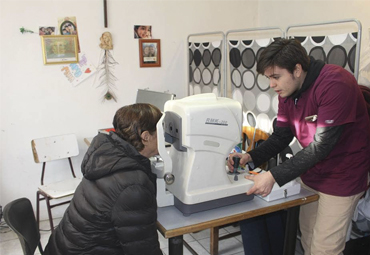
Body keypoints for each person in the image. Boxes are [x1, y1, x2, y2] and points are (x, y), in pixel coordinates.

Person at [228, 38, 370, 255]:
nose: (271, 85)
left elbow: (322, 146)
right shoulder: (288, 92)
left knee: (325, 250)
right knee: (308, 240)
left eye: (276, 77)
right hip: (312, 173)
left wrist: (273, 176)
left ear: (297, 69)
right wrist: (251, 156)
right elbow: (281, 137)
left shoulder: (335, 84)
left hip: (343, 176)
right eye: (268, 78)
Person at [44, 104, 163, 255]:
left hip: (62, 248)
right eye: (161, 132)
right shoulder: (133, 185)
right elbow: (142, 249)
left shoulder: (107, 155)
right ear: (146, 136)